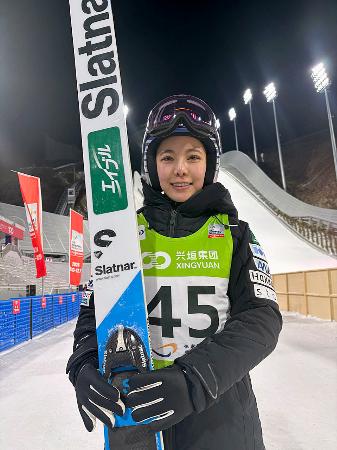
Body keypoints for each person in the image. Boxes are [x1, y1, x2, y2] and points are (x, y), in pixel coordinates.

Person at [66, 94, 282, 450]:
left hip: (221, 416)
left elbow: (262, 319)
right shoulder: (121, 237)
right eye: (168, 157)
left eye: (193, 157)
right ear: (152, 163)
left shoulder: (235, 234)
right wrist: (84, 365)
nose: (180, 169)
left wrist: (195, 378)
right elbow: (93, 315)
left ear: (209, 164)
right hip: (136, 416)